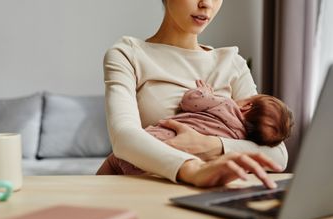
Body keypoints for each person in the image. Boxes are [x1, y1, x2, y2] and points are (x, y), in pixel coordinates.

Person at [101, 0, 287, 189]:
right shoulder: (129, 54)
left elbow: (278, 154)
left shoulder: (232, 63)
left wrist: (211, 145)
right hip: (143, 191)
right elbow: (123, 137)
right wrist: (192, 170)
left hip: (208, 194)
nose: (206, 3)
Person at [97, 79, 293, 176]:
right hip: (170, 169)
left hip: (152, 144)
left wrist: (205, 92)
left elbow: (190, 101)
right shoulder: (239, 140)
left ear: (247, 105)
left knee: (115, 161)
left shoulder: (226, 104)